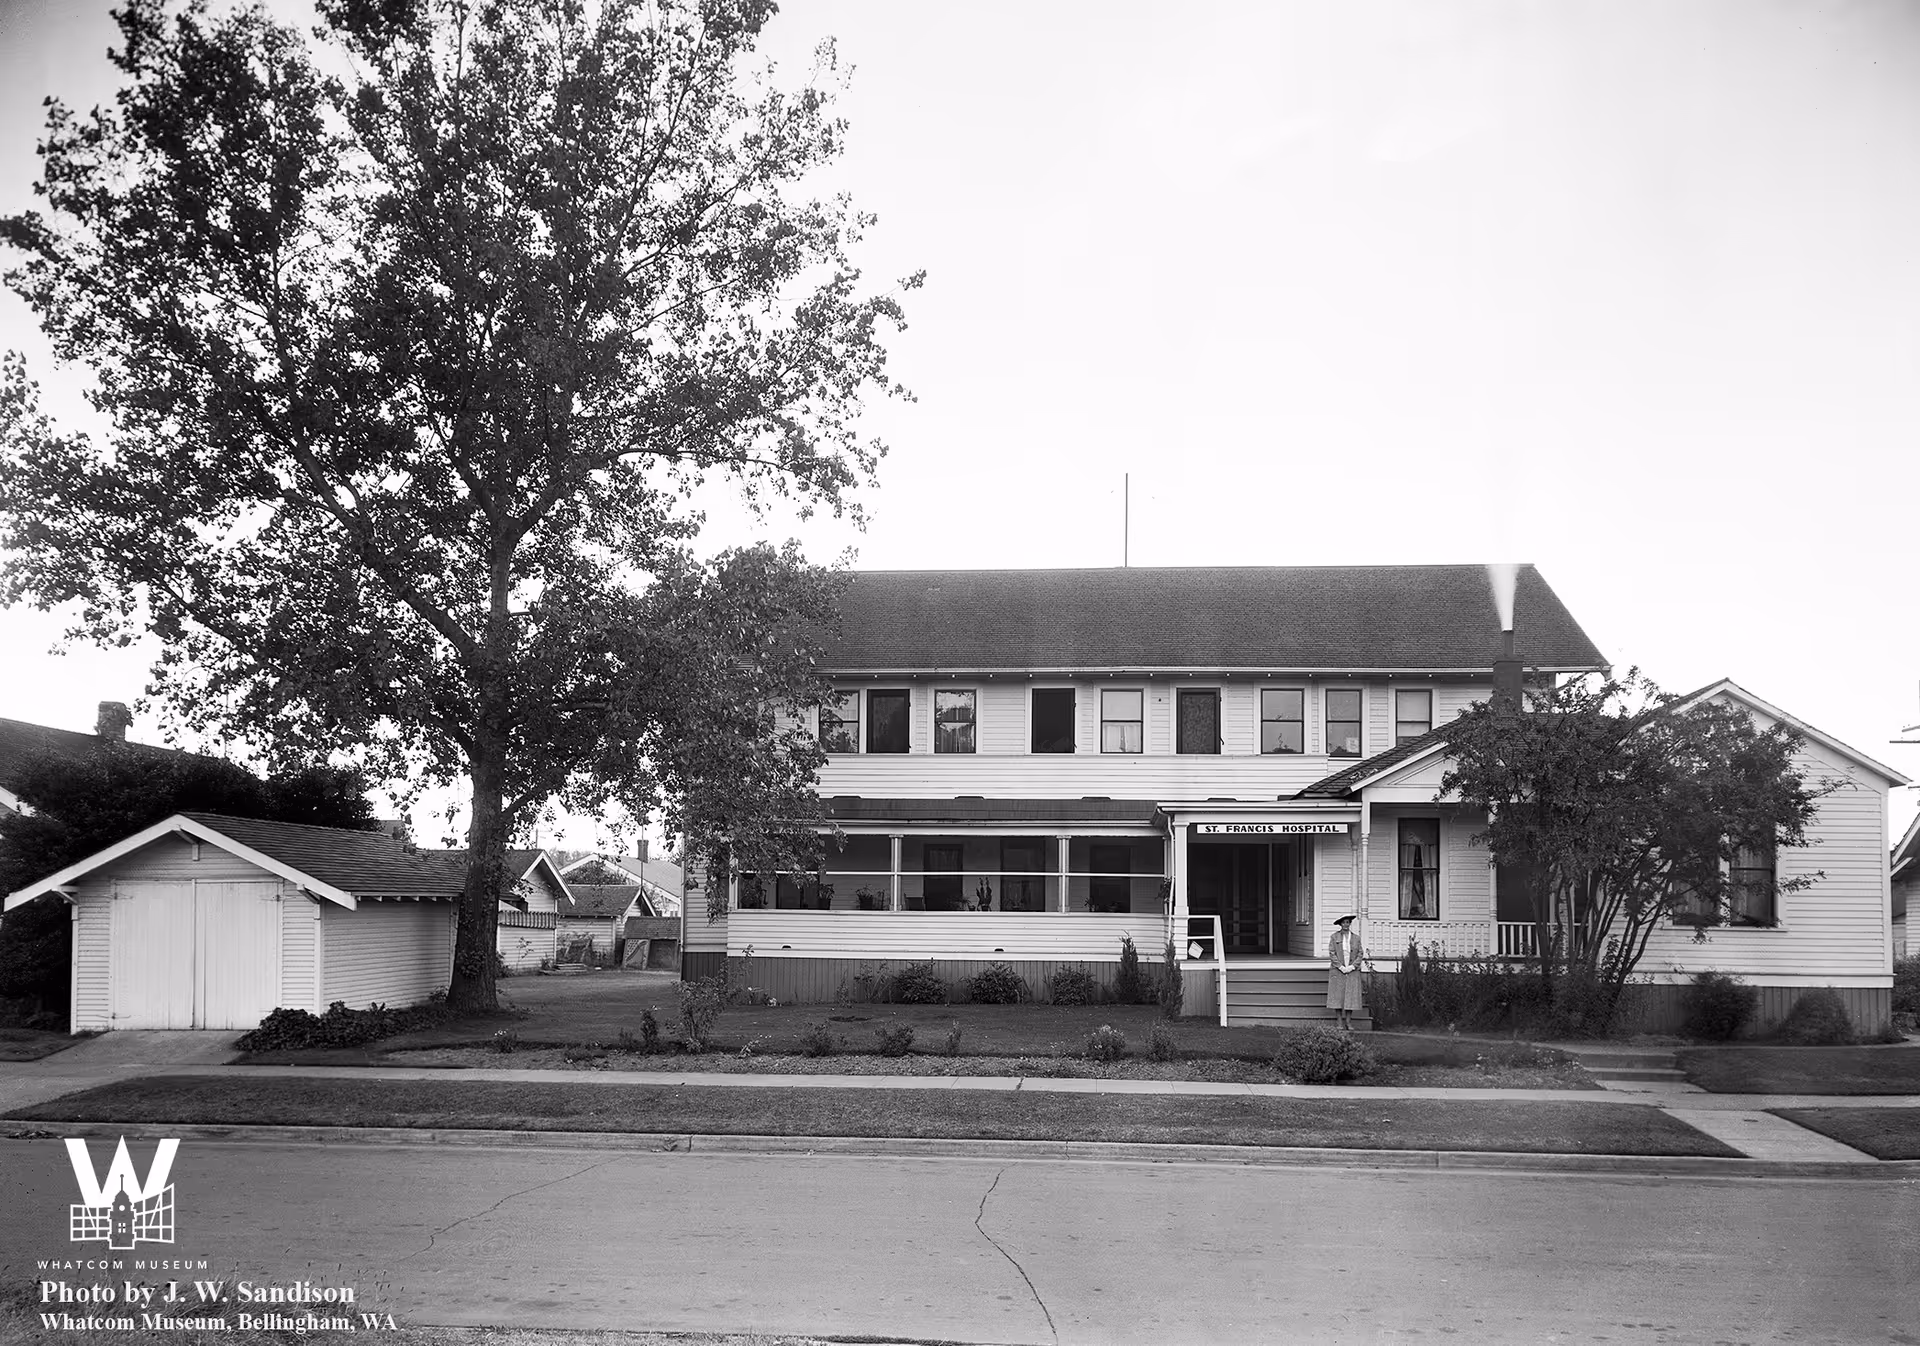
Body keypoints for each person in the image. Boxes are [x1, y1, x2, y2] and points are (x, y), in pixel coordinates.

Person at [1326, 913, 1365, 1031]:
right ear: (1340, 924)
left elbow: (1360, 953)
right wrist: (1341, 967)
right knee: (1337, 997)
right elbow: (1332, 953)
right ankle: (1339, 1022)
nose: (1346, 925)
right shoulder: (1334, 937)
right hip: (1338, 970)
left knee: (1350, 997)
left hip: (1352, 970)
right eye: (1343, 922)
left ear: (1350, 924)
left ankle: (1348, 1022)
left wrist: (1353, 966)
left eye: (1348, 922)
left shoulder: (1356, 938)